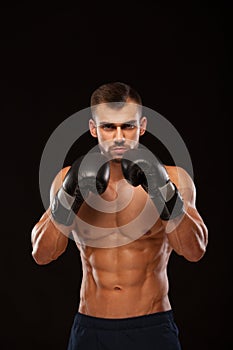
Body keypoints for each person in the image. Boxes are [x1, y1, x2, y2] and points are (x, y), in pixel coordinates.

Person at [31, 82, 208, 349]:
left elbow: (195, 250)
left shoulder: (173, 178)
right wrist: (69, 193)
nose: (118, 137)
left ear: (142, 125)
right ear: (93, 129)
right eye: (108, 127)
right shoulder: (68, 178)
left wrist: (163, 191)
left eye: (128, 126)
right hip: (91, 328)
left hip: (152, 325)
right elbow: (42, 254)